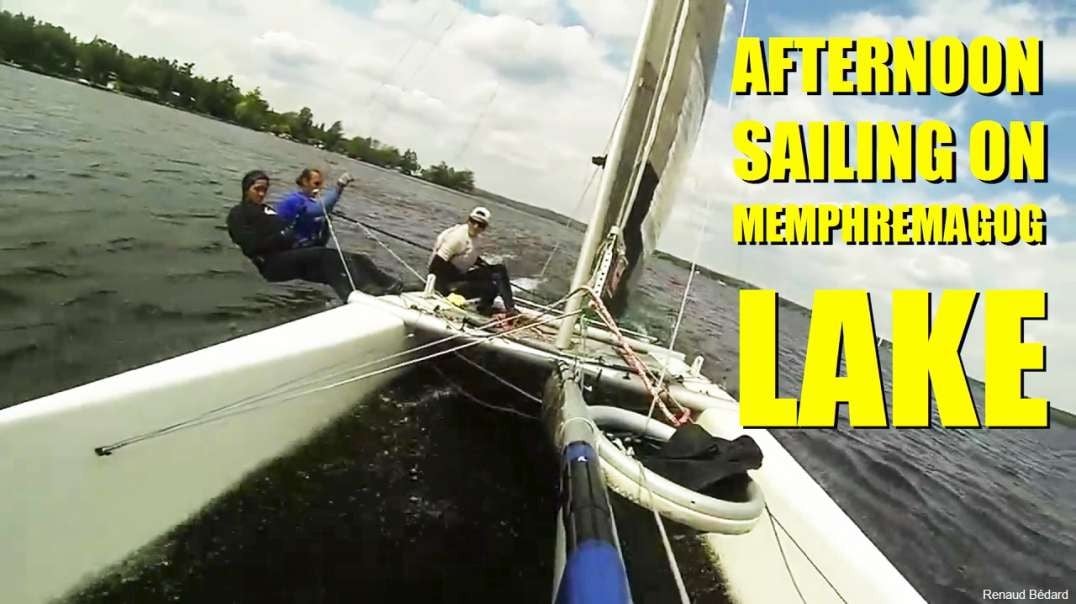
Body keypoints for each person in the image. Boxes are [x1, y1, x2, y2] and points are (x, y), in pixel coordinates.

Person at [227, 170, 403, 301]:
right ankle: (356, 297)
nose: (262, 193)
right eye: (257, 189)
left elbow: (308, 241)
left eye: (265, 189)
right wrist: (282, 235)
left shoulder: (268, 210)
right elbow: (250, 247)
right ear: (246, 188)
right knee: (326, 257)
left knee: (352, 259)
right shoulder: (238, 213)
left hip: (289, 256)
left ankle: (392, 286)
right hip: (271, 264)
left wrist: (324, 226)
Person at [427, 206, 518, 316]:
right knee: (491, 287)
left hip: (459, 275)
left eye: (481, 225)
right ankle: (487, 310)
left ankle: (509, 308)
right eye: (473, 221)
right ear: (468, 220)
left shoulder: (477, 238)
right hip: (446, 284)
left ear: (485, 227)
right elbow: (435, 266)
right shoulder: (457, 237)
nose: (476, 226)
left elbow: (468, 255)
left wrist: (484, 266)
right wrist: (447, 289)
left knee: (498, 270)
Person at [273, 168, 352, 248]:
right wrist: (340, 186)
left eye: (321, 184)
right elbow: (318, 209)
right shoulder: (294, 200)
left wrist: (326, 221)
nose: (319, 188)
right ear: (305, 182)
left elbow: (321, 239)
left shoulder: (311, 202)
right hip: (286, 248)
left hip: (306, 248)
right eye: (316, 184)